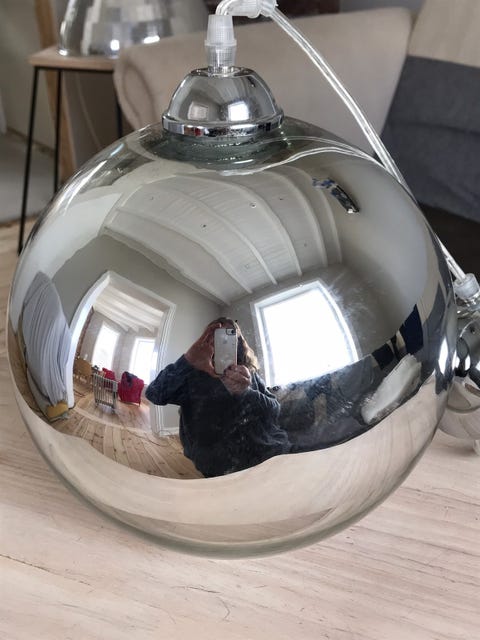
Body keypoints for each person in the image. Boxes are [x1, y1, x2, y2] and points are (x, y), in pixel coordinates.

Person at [146, 317, 291, 477]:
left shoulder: (248, 373)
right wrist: (187, 360)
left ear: (238, 343)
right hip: (219, 467)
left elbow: (275, 409)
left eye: (230, 336)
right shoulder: (190, 374)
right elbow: (154, 394)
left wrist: (246, 392)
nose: (222, 342)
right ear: (206, 340)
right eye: (216, 336)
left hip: (268, 450)